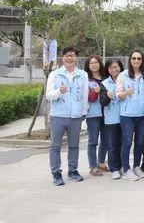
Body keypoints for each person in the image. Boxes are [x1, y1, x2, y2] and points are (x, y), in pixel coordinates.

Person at [46, 46, 89, 186]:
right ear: (62, 57)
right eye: (67, 55)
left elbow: (85, 95)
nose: (69, 58)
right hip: (58, 115)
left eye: (72, 55)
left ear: (76, 58)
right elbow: (48, 96)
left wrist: (84, 112)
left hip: (75, 116)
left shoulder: (83, 75)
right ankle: (56, 173)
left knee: (74, 145)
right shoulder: (54, 74)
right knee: (55, 146)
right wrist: (60, 91)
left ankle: (72, 171)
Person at [116, 49, 144, 181]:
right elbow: (118, 94)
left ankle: (136, 166)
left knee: (140, 142)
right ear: (130, 60)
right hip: (127, 115)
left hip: (142, 114)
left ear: (142, 61)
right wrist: (126, 93)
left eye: (139, 58)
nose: (136, 61)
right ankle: (126, 170)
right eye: (134, 58)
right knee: (127, 142)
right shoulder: (123, 75)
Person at [99, 58, 125, 179]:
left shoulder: (125, 80)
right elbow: (103, 102)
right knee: (113, 144)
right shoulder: (104, 83)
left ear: (120, 67)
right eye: (111, 67)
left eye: (116, 67)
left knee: (124, 143)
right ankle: (114, 168)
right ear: (108, 69)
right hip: (111, 119)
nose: (114, 69)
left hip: (126, 117)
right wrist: (108, 97)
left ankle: (122, 166)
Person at [84, 55, 109, 176]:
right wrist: (95, 91)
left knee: (105, 140)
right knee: (93, 141)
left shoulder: (106, 78)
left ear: (100, 64)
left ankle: (101, 162)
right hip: (93, 115)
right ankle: (93, 166)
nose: (94, 65)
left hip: (107, 113)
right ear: (88, 66)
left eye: (96, 62)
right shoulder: (86, 80)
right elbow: (87, 98)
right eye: (91, 63)